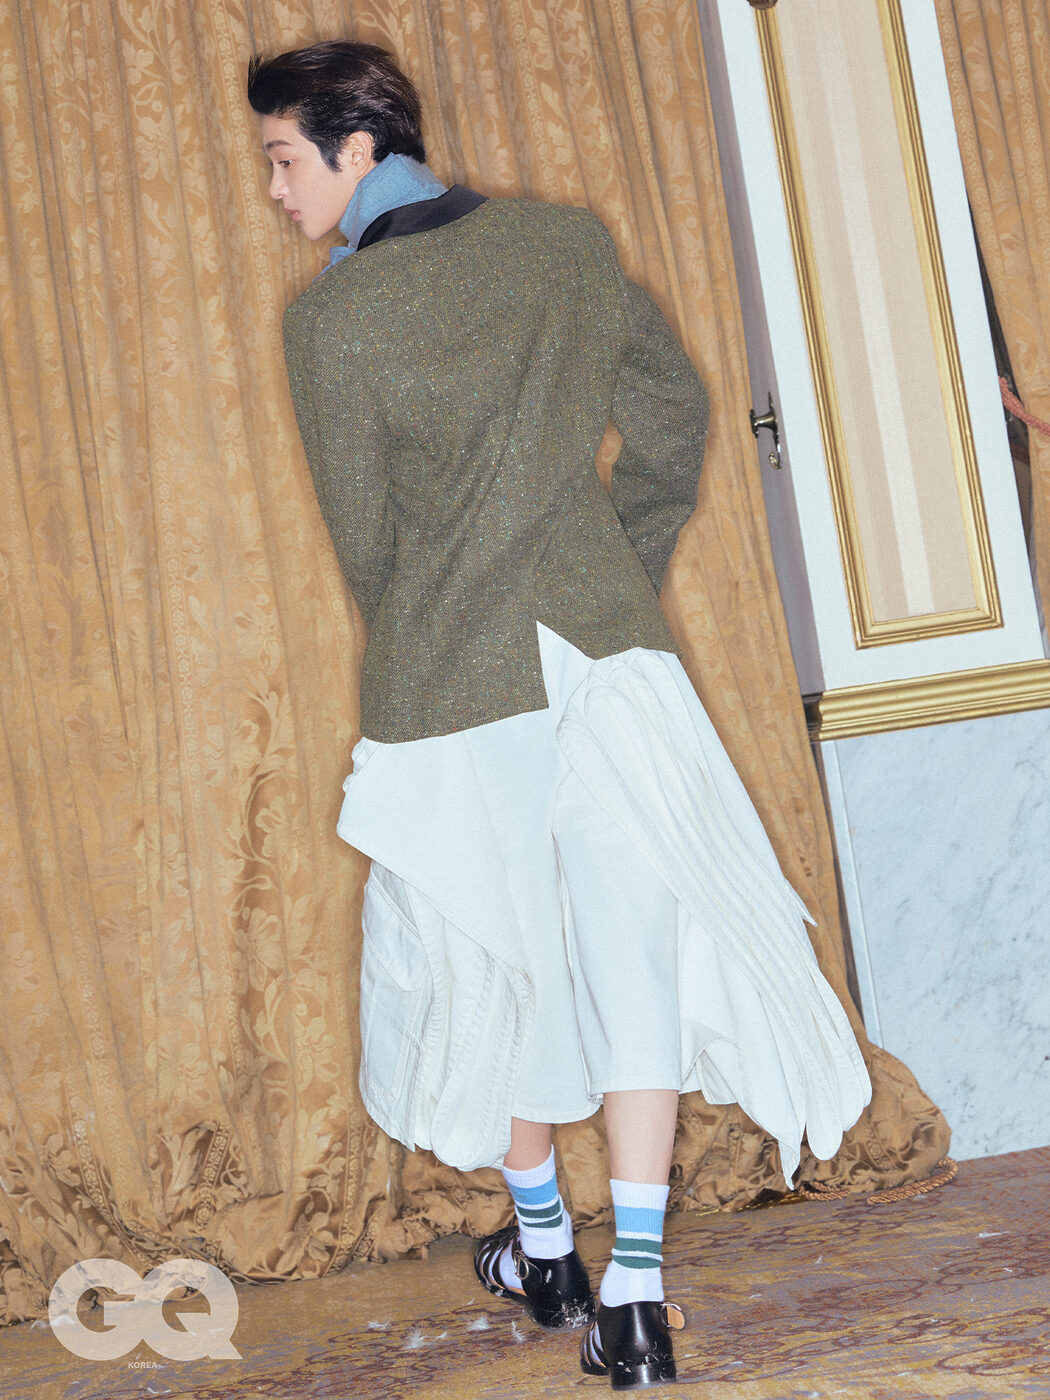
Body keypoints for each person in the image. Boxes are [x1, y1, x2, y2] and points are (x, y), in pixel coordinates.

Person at [248, 40, 871, 1390]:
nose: (277, 190)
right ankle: (632, 1295)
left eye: (285, 160)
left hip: (454, 678)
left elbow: (368, 544)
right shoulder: (563, 245)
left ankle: (545, 1248)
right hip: (608, 663)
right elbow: (675, 413)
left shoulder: (332, 322)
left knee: (497, 957)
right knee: (632, 950)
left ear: (357, 148)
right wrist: (610, 570)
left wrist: (438, 627)